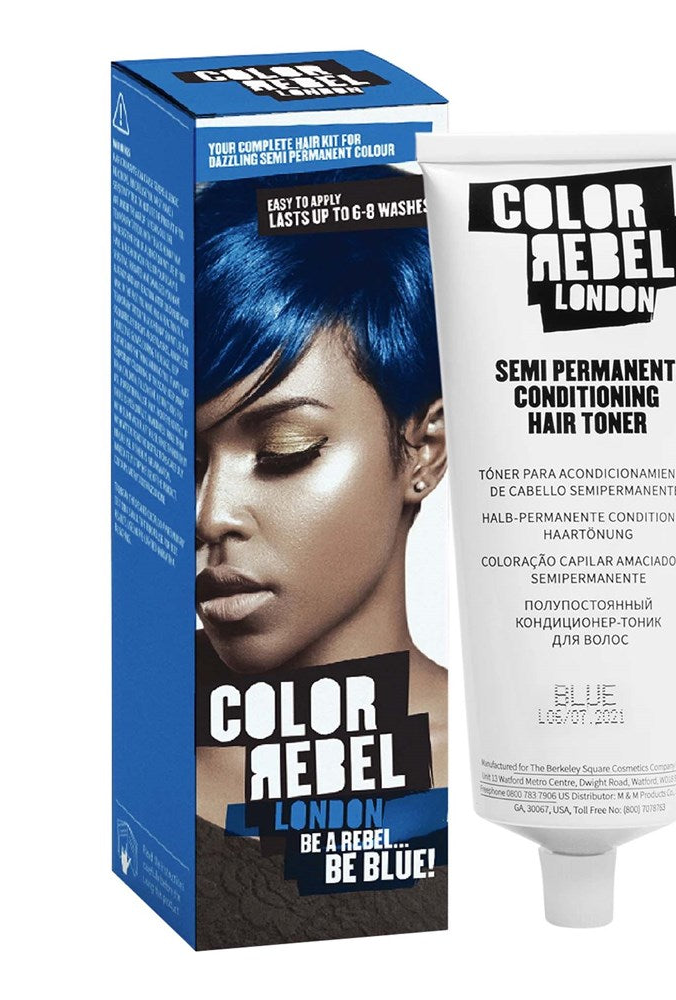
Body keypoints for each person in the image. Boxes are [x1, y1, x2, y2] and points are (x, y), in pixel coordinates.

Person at [192, 169, 447, 946]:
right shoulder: (122, 728)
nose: (211, 514)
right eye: (184, 463)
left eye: (284, 447)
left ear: (423, 449)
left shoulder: (504, 771)